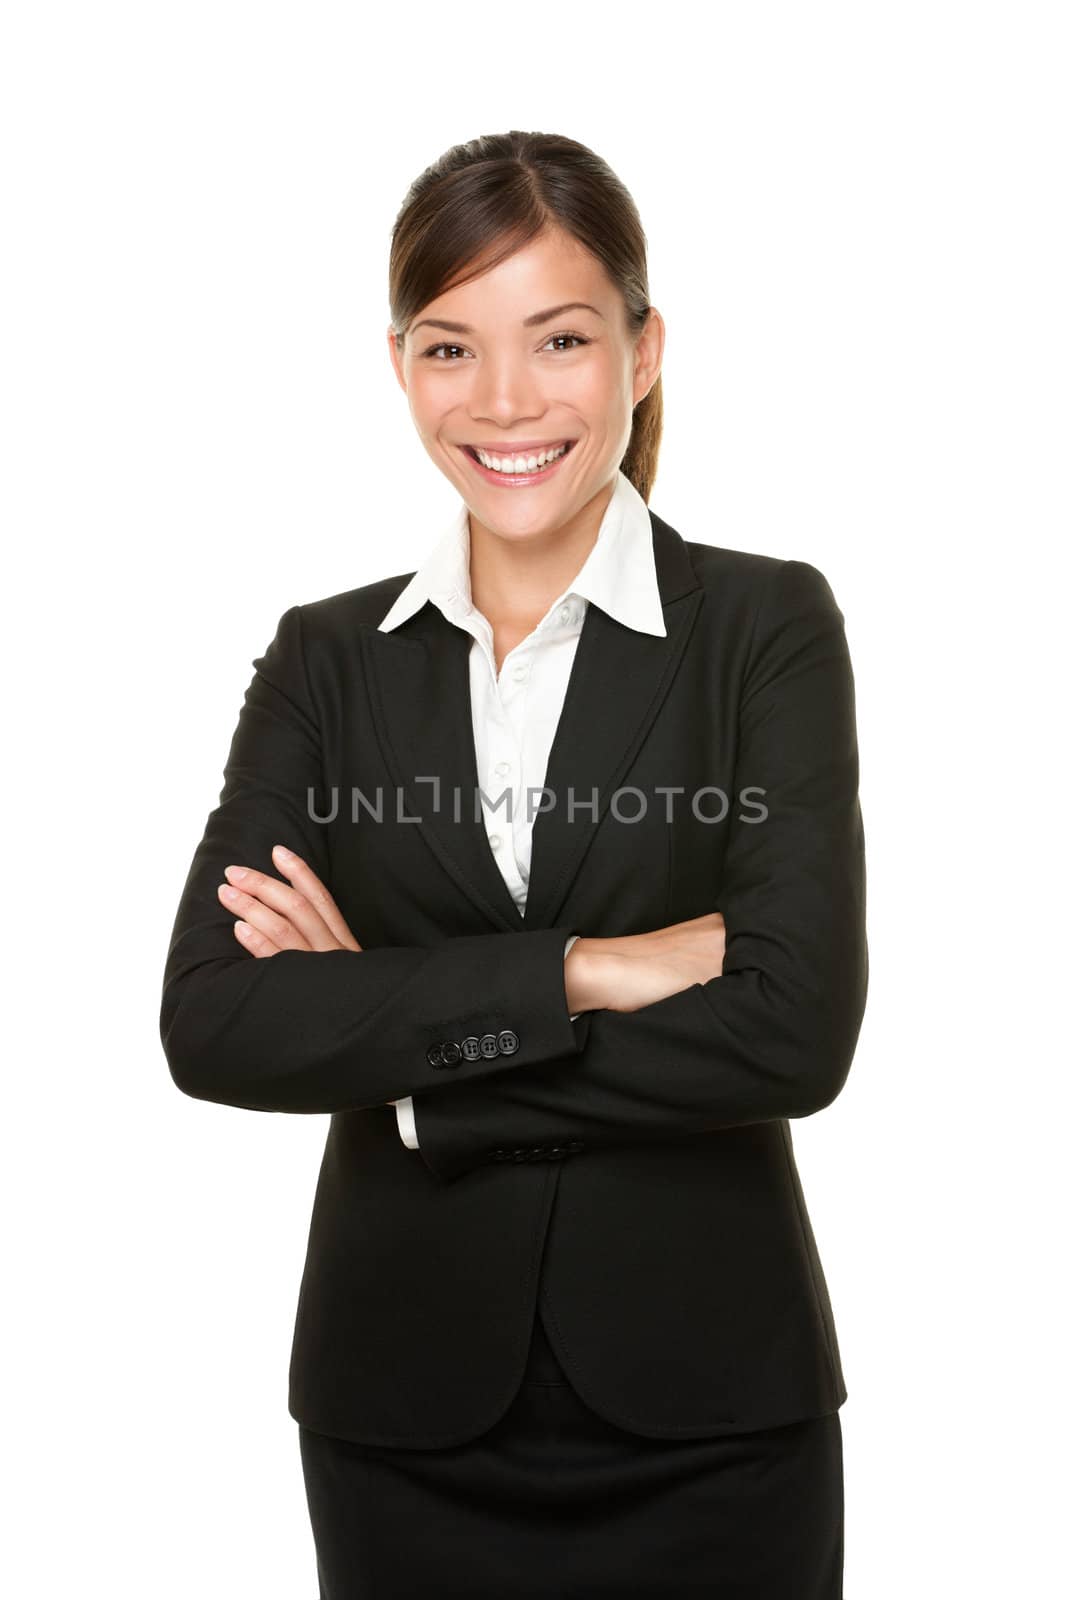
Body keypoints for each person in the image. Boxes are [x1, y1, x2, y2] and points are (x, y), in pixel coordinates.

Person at [160, 129, 868, 1599]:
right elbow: (216, 1019)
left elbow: (794, 1029)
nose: (502, 401)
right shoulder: (329, 659)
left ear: (643, 350)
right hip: (400, 1410)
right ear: (400, 364)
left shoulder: (764, 629)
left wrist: (402, 1049)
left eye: (559, 338)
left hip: (713, 1413)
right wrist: (592, 972)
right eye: (448, 347)